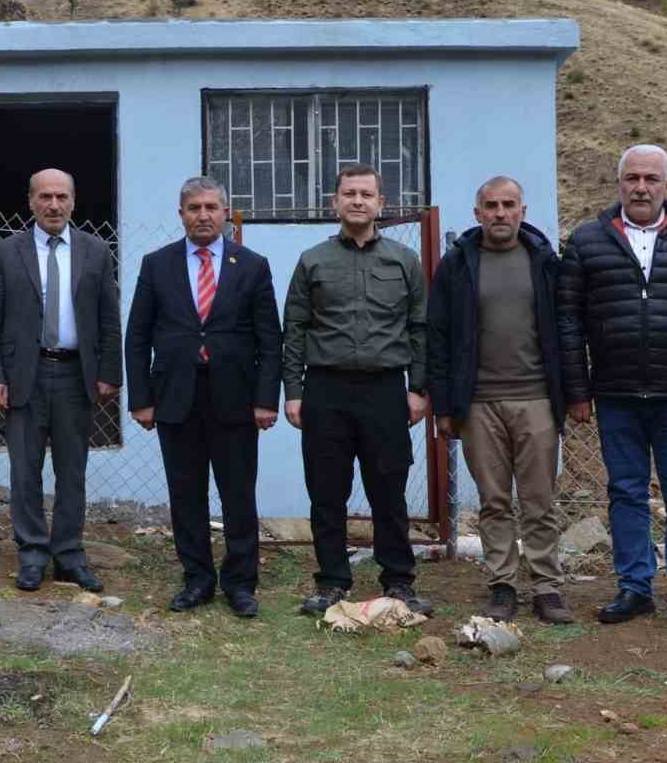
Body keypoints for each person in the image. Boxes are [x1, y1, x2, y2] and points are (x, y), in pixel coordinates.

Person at [557, 144, 667, 624]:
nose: (640, 187)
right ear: (619, 183)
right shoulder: (586, 240)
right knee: (626, 492)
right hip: (615, 393)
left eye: (651, 179)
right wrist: (578, 391)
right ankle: (634, 586)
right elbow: (568, 320)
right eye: (632, 178)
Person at [126, 176, 282, 618]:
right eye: (194, 208)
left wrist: (266, 399)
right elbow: (137, 336)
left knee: (238, 495)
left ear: (225, 213)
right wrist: (141, 399)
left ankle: (240, 583)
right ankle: (197, 579)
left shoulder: (252, 265)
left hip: (235, 398)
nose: (203, 215)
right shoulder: (157, 264)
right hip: (176, 398)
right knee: (185, 495)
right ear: (181, 215)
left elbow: (270, 340)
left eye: (211, 207)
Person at [282, 163, 432, 617]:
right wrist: (294, 391)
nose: (358, 201)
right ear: (335, 202)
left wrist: (418, 388)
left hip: (385, 390)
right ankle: (332, 582)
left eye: (367, 194)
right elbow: (295, 329)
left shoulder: (404, 261)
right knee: (327, 492)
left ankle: (399, 582)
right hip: (325, 390)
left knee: (389, 490)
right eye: (349, 193)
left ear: (380, 204)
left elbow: (420, 328)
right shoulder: (313, 260)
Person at [428, 176, 574, 624]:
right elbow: (437, 336)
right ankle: (502, 585)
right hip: (478, 403)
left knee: (539, 499)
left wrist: (571, 394)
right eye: (490, 205)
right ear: (477, 214)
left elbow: (566, 330)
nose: (500, 213)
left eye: (509, 204)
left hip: (537, 398)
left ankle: (547, 587)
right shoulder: (456, 265)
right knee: (493, 501)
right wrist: (443, 406)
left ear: (522, 211)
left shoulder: (545, 261)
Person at [0, 169, 122, 592]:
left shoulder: (96, 251)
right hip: (25, 374)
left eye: (61, 197)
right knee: (25, 470)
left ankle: (69, 555)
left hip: (77, 375)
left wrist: (109, 373)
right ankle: (32, 554)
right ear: (30, 201)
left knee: (72, 471)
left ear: (74, 201)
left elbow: (109, 318)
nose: (53, 205)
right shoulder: (6, 252)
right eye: (45, 197)